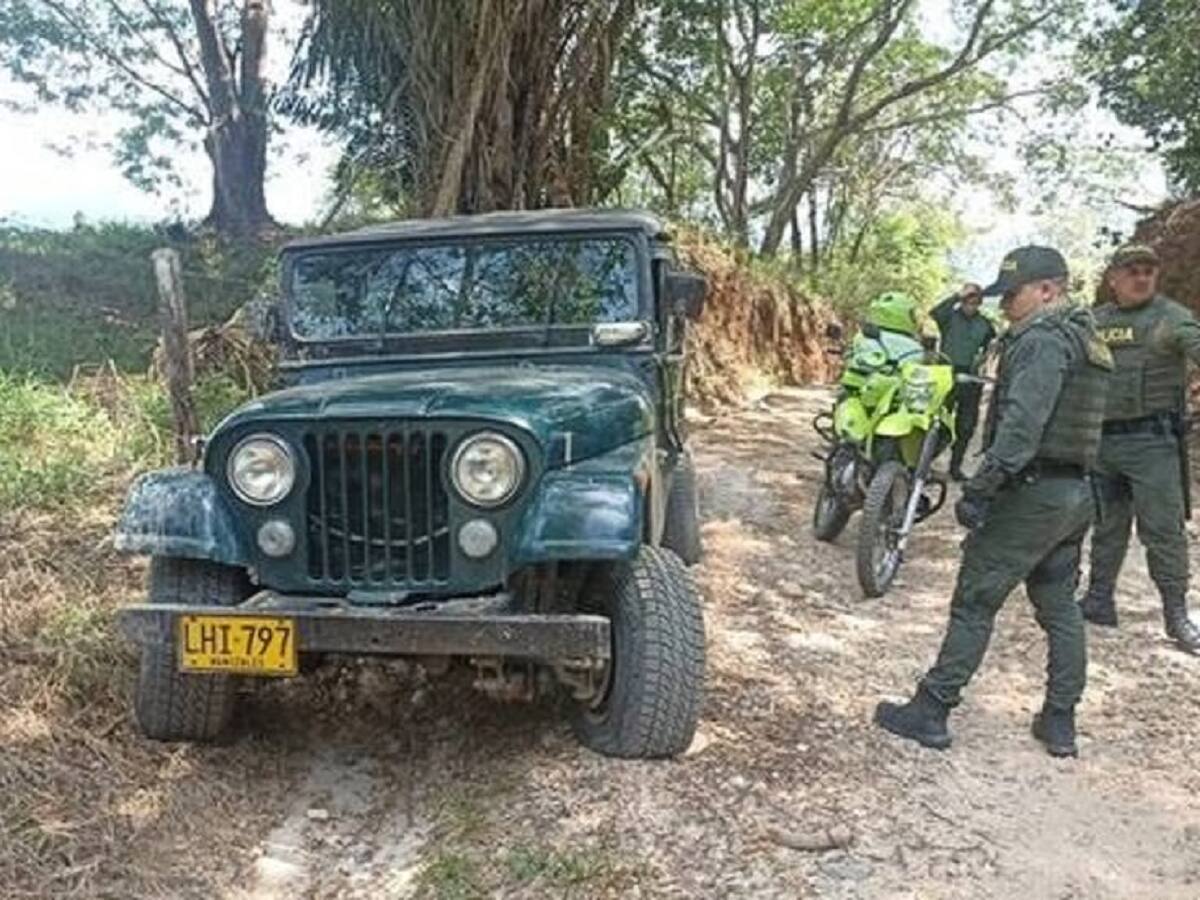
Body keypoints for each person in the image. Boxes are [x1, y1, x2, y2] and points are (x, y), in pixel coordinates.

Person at [874, 247, 1112, 758]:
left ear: (1048, 290)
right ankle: (1059, 721)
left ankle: (932, 709)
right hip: (1076, 494)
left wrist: (981, 488)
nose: (1005, 307)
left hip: (1032, 492)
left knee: (976, 599)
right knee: (1058, 607)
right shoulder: (1089, 341)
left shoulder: (1044, 341)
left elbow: (1023, 428)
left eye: (1015, 295)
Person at [1078, 244, 1200, 654]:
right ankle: (1098, 600)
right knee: (1107, 526)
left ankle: (1176, 615)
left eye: (1149, 270)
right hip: (1103, 443)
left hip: (1153, 445)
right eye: (1132, 270)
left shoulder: (1171, 318)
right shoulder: (1095, 322)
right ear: (1113, 277)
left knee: (1163, 531)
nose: (1142, 277)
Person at [931, 283, 997, 480]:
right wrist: (957, 295)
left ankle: (955, 467)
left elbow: (991, 346)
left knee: (966, 426)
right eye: (969, 300)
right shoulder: (949, 318)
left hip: (971, 378)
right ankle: (925, 463)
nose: (972, 305)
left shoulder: (985, 324)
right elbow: (935, 312)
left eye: (976, 301)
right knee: (939, 422)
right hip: (946, 374)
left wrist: (983, 360)